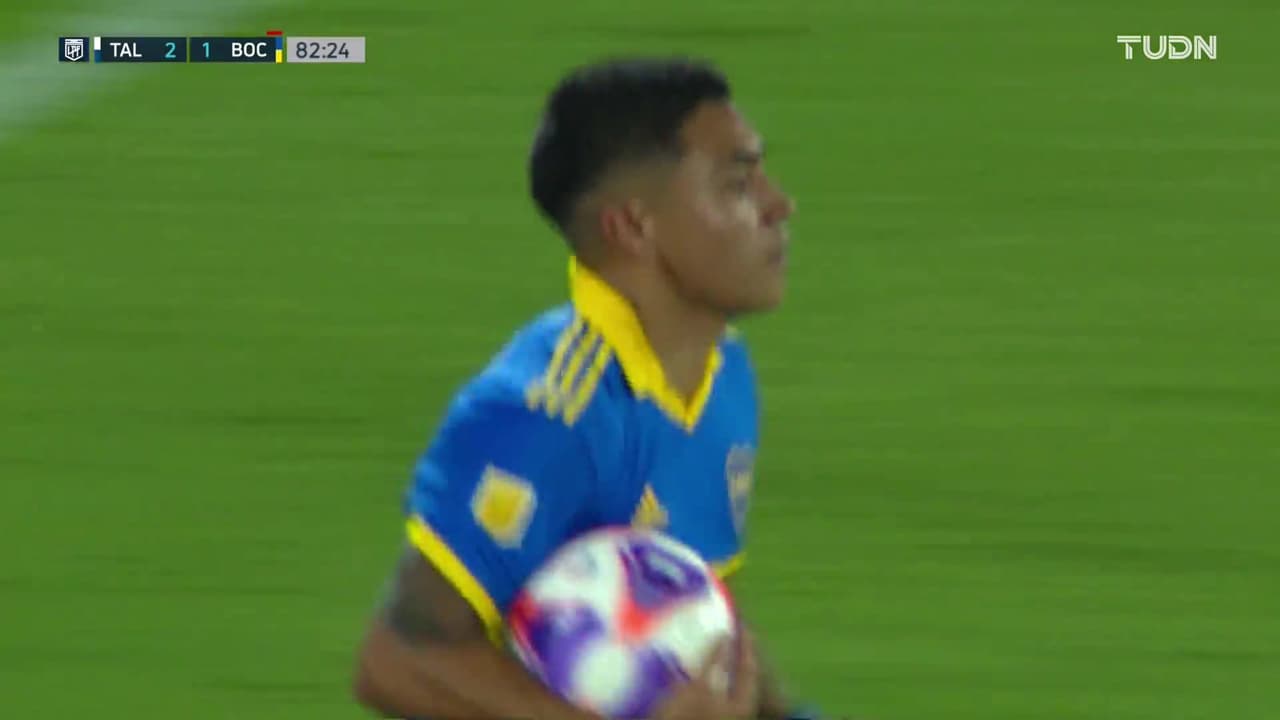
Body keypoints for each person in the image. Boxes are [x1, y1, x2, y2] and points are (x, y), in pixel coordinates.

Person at [353, 56, 805, 720]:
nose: (778, 204)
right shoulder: (542, 415)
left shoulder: (723, 376)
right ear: (633, 226)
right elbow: (397, 659)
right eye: (738, 183)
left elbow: (702, 619)